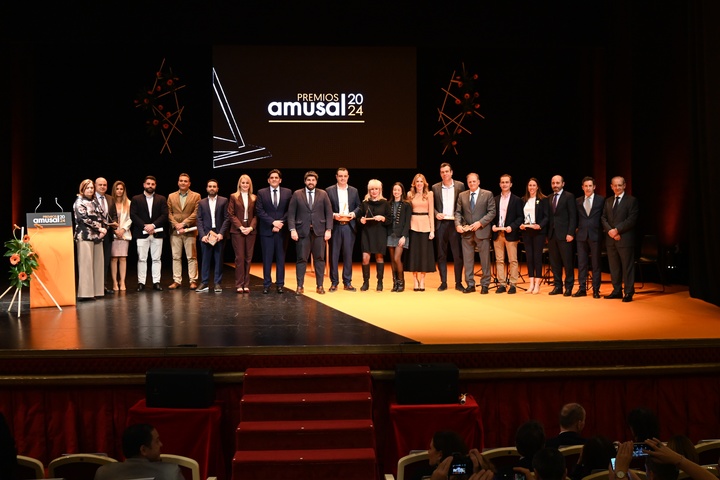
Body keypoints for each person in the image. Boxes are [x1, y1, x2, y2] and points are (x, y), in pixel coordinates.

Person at [288, 171, 333, 295]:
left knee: (319, 259)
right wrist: (292, 230)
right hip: (302, 232)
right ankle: (300, 286)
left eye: (313, 180)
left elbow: (329, 213)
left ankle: (320, 286)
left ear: (316, 182)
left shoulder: (323, 194)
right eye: (308, 180)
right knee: (301, 259)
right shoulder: (297, 194)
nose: (311, 182)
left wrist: (328, 229)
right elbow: (291, 214)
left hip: (319, 232)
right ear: (305, 181)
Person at [454, 173, 496, 294]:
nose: (472, 184)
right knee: (467, 261)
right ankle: (470, 284)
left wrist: (480, 223)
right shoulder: (462, 195)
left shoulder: (487, 194)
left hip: (482, 231)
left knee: (485, 260)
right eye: (469, 182)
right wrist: (458, 225)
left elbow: (492, 212)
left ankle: (485, 284)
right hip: (466, 233)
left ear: (478, 182)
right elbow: (457, 212)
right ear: (467, 183)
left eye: (474, 181)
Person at [94, 423, 184, 480]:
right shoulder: (170, 473)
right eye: (157, 441)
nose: (161, 444)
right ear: (143, 450)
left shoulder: (103, 473)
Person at [601, 176, 639, 302]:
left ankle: (628, 292)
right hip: (611, 239)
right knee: (614, 267)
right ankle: (617, 290)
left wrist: (617, 230)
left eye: (619, 185)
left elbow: (631, 219)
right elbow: (603, 218)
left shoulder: (631, 201)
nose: (617, 188)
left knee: (627, 267)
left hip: (625, 239)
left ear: (624, 186)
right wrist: (611, 231)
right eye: (615, 185)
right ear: (611, 186)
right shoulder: (608, 201)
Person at [255, 169, 292, 294]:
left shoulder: (288, 192)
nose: (274, 179)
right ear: (268, 180)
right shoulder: (261, 192)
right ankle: (266, 284)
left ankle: (280, 284)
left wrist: (280, 223)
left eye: (276, 177)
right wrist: (273, 222)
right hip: (267, 231)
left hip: (282, 231)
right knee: (267, 259)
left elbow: (290, 210)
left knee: (281, 258)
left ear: (280, 180)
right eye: (272, 178)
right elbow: (259, 211)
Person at [326, 167, 362, 292]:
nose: (342, 178)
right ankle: (334, 282)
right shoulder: (329, 190)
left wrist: (353, 214)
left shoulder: (354, 191)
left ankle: (347, 282)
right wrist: (333, 215)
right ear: (336, 176)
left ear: (348, 177)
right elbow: (326, 208)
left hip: (349, 227)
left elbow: (359, 206)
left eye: (345, 176)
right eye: (340, 176)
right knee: (334, 256)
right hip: (335, 226)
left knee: (348, 256)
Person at [130, 175, 168, 291]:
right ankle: (141, 282)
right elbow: (133, 215)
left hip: (157, 233)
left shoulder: (161, 199)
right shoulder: (136, 199)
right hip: (141, 233)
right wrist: (145, 226)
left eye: (152, 184)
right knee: (142, 258)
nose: (150, 186)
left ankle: (156, 282)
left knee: (156, 259)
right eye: (148, 184)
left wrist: (153, 225)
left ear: (155, 185)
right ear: (144, 185)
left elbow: (164, 215)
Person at [432, 163, 466, 291]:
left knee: (458, 255)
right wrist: (436, 214)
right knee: (441, 254)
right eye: (442, 172)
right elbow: (432, 206)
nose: (445, 174)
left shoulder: (460, 185)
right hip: (441, 224)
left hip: (455, 223)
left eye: (447, 171)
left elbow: (463, 204)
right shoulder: (435, 187)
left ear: (451, 172)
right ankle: (443, 282)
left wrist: (461, 222)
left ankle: (458, 283)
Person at [73, 179, 108, 300]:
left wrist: (105, 228)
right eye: (87, 188)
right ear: (82, 189)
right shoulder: (79, 202)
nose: (90, 190)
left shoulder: (95, 201)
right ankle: (85, 294)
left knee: (98, 264)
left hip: (97, 237)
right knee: (86, 265)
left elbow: (102, 216)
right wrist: (100, 228)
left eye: (92, 188)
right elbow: (84, 219)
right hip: (85, 236)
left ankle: (98, 291)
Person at [491, 174, 524, 294]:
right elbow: (491, 216)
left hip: (511, 234)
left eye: (507, 182)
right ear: (500, 184)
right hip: (498, 234)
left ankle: (513, 284)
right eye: (502, 182)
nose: (504, 184)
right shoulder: (494, 199)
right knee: (499, 260)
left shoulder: (517, 200)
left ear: (511, 184)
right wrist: (493, 226)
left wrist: (512, 227)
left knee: (512, 260)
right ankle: (501, 284)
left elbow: (521, 217)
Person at [196, 179, 230, 293]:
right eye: (210, 186)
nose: (212, 188)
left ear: (217, 188)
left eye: (214, 186)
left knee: (218, 259)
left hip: (219, 234)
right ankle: (204, 282)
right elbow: (199, 219)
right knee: (205, 260)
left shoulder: (224, 201)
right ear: (206, 188)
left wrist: (221, 233)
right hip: (206, 235)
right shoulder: (201, 202)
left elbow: (227, 218)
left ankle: (217, 283)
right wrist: (202, 235)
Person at [167, 173, 200, 290]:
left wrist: (184, 224)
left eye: (185, 181)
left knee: (191, 257)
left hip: (190, 231)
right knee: (176, 257)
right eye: (181, 180)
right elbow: (169, 212)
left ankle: (193, 280)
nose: (183, 183)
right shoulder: (171, 196)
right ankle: (177, 280)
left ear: (189, 183)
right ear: (178, 182)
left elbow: (196, 213)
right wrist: (176, 224)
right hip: (175, 231)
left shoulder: (196, 196)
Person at [574, 176, 605, 298]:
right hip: (581, 236)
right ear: (582, 187)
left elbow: (603, 217)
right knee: (582, 264)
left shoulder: (601, 200)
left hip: (595, 235)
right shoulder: (578, 201)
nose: (588, 188)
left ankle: (596, 290)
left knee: (596, 264)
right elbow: (575, 218)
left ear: (594, 187)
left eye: (590, 186)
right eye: (585, 186)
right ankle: (582, 289)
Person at [547, 175, 577, 296]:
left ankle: (568, 287)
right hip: (552, 235)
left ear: (563, 184)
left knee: (568, 263)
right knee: (555, 263)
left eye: (557, 183)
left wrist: (571, 233)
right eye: (553, 183)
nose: (555, 185)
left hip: (565, 235)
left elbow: (573, 216)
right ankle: (558, 286)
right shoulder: (548, 197)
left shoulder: (569, 197)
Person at [358, 179, 391, 291]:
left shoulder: (385, 203)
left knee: (379, 257)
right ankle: (365, 282)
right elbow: (359, 218)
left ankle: (380, 282)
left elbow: (390, 219)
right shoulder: (364, 203)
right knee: (365, 257)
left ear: (380, 190)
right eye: (372, 189)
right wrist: (361, 220)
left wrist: (383, 218)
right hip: (367, 233)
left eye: (376, 189)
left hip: (380, 233)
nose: (374, 191)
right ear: (369, 190)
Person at [405, 173, 435, 291]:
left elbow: (431, 212)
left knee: (424, 255)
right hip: (413, 225)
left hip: (425, 225)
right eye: (417, 181)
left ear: (424, 183)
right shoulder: (409, 194)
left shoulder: (429, 194)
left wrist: (432, 230)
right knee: (413, 255)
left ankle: (422, 280)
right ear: (414, 183)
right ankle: (415, 280)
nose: (419, 184)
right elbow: (407, 212)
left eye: (421, 181)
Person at [519, 178, 549, 295]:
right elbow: (521, 215)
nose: (531, 187)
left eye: (534, 185)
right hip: (527, 232)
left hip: (538, 232)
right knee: (529, 258)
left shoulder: (543, 199)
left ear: (537, 187)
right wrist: (521, 224)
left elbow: (546, 217)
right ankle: (531, 284)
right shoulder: (523, 200)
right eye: (530, 185)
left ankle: (537, 284)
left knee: (537, 257)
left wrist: (539, 225)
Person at [228, 174, 257, 293]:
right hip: (237, 231)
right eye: (243, 182)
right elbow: (231, 214)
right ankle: (239, 284)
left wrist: (250, 227)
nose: (245, 185)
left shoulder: (255, 198)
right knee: (240, 258)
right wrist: (240, 227)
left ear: (250, 185)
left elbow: (256, 215)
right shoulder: (233, 197)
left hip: (250, 231)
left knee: (248, 258)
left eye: (247, 183)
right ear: (239, 184)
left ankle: (246, 284)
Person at [387, 182, 411, 292]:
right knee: (392, 260)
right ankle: (395, 283)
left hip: (401, 236)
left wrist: (404, 236)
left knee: (397, 258)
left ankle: (401, 282)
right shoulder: (389, 204)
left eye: (398, 190)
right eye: (394, 190)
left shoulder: (406, 205)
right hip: (390, 235)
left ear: (402, 191)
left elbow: (407, 222)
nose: (396, 192)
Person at [95, 177, 116, 295]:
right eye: (100, 185)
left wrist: (115, 223)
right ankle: (95, 286)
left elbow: (113, 214)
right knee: (96, 261)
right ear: (95, 185)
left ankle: (103, 285)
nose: (103, 187)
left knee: (106, 261)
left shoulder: (110, 198)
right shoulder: (90, 198)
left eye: (104, 185)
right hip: (95, 234)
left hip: (108, 234)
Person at [110, 180, 132, 292]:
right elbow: (108, 218)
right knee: (114, 258)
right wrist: (115, 231)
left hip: (124, 234)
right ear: (114, 190)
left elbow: (130, 218)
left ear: (124, 191)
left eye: (121, 189)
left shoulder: (128, 203)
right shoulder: (109, 202)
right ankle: (114, 282)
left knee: (123, 258)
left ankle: (122, 281)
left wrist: (122, 230)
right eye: (117, 189)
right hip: (113, 234)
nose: (119, 191)